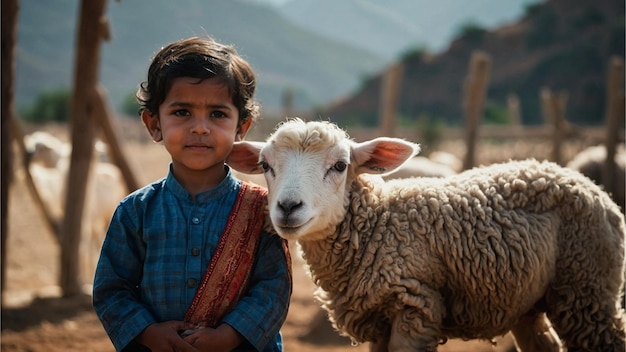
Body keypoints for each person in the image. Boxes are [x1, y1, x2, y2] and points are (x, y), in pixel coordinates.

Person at [92, 36, 292, 352]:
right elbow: (111, 290)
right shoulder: (135, 211)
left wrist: (230, 334)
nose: (200, 128)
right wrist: (148, 332)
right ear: (153, 124)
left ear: (242, 127)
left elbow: (273, 289)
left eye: (217, 114)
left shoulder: (261, 210)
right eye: (182, 112)